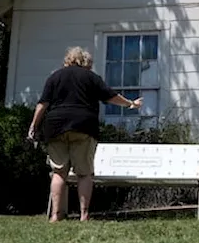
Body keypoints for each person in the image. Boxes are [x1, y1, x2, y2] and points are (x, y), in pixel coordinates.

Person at [28, 46, 142, 222]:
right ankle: (84, 214)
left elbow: (43, 104)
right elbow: (111, 96)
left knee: (59, 172)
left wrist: (34, 126)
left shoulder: (54, 77)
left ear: (68, 60)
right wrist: (130, 104)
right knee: (84, 173)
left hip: (55, 126)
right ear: (86, 62)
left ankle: (55, 215)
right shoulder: (91, 78)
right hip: (83, 126)